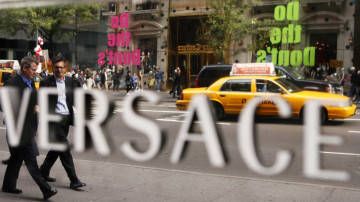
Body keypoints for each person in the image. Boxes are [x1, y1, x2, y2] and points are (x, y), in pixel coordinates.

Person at [1, 56, 57, 200]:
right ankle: (46, 190)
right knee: (31, 161)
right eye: (33, 69)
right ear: (24, 68)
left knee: (16, 159)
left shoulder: (30, 81)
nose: (35, 72)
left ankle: (8, 185)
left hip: (28, 128)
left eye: (36, 69)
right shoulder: (12, 83)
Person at [39, 55, 86, 190]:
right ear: (53, 68)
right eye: (56, 67)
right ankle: (74, 180)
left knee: (56, 149)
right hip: (53, 120)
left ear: (66, 68)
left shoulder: (72, 82)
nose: (59, 70)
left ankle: (43, 171)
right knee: (64, 149)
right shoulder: (46, 82)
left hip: (66, 119)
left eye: (61, 67)